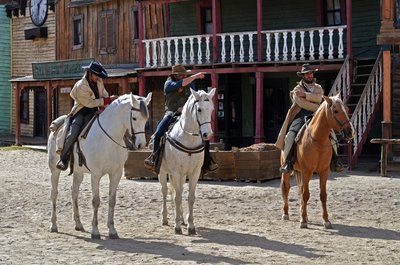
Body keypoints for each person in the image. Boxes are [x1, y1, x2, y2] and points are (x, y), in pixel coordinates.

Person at [144, 64, 218, 173]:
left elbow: (194, 98)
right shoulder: (169, 83)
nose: (183, 76)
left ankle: (207, 161)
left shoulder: (190, 84)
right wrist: (196, 75)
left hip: (187, 115)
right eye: (181, 75)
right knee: (159, 132)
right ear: (175, 75)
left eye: (184, 75)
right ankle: (154, 159)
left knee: (204, 134)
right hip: (171, 113)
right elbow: (181, 84)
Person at [275, 64, 343, 173]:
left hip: (318, 115)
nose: (309, 75)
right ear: (303, 76)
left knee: (331, 133)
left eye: (311, 73)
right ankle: (287, 162)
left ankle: (335, 160)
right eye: (307, 74)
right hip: (301, 115)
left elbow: (320, 98)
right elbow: (301, 103)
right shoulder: (297, 89)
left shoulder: (318, 87)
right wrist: (317, 107)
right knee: (290, 135)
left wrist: (305, 95)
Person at [56, 61, 118, 171]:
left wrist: (106, 105)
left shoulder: (99, 81)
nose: (98, 77)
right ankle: (63, 158)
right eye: (96, 75)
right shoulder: (81, 85)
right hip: (82, 112)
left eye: (99, 75)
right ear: (89, 73)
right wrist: (107, 100)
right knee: (73, 133)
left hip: (96, 110)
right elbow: (89, 103)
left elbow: (104, 94)